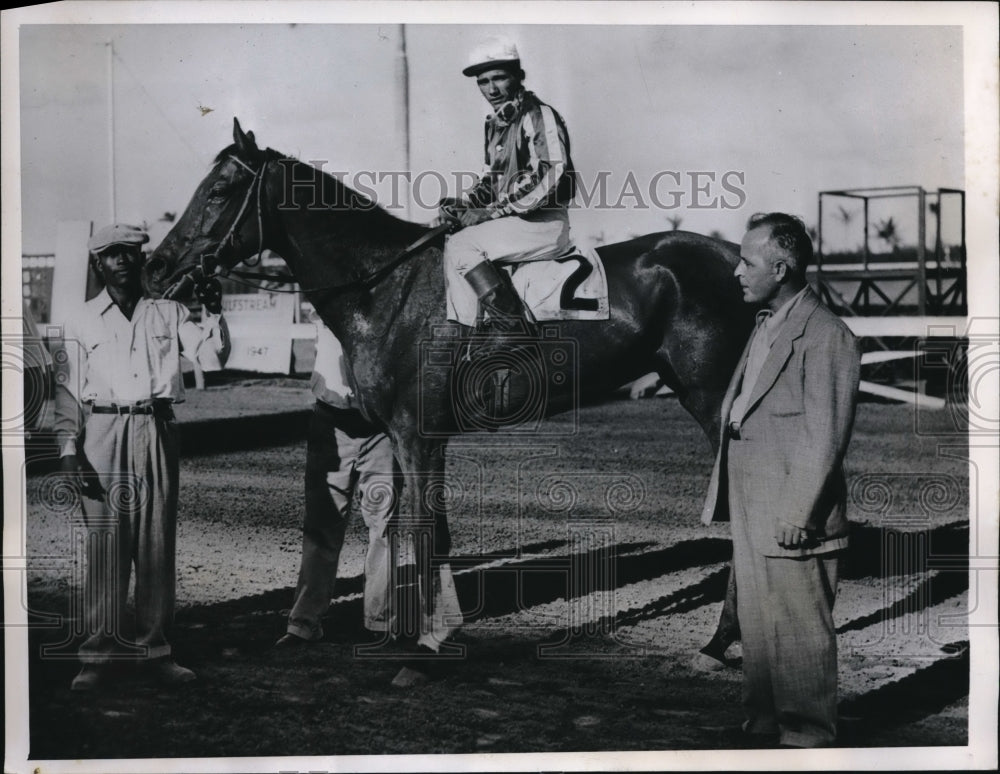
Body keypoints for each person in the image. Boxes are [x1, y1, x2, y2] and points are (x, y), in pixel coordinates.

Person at [700, 212, 862, 748]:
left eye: (747, 262)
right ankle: (764, 724)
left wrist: (799, 512)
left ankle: (807, 736)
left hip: (795, 500)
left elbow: (825, 434)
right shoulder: (766, 321)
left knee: (797, 624)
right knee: (758, 613)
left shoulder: (827, 336)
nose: (737, 273)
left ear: (782, 265)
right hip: (753, 491)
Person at [54, 223, 229, 691]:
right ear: (99, 264)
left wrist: (214, 309)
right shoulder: (80, 319)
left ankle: (156, 651)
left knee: (155, 544)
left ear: (141, 259)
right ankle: (96, 655)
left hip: (157, 425)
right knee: (107, 547)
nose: (123, 261)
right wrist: (69, 451)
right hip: (103, 430)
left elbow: (212, 359)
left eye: (130, 252)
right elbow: (68, 392)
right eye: (113, 255)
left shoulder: (169, 312)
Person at [439, 36, 577, 339]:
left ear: (518, 76)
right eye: (483, 81)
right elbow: (491, 179)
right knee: (446, 239)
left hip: (544, 222)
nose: (491, 89)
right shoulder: (496, 126)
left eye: (499, 77)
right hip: (513, 221)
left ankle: (515, 336)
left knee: (462, 246)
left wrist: (490, 213)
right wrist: (464, 205)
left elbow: (551, 171)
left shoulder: (538, 114)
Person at [275, 322, 402, 648]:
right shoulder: (329, 286)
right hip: (331, 419)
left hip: (380, 425)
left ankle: (380, 621)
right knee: (321, 524)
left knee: (384, 524)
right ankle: (304, 622)